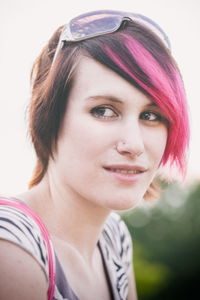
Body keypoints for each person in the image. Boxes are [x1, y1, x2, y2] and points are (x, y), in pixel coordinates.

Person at [0, 10, 189, 300]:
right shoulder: (11, 247)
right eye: (103, 111)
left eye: (151, 115)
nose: (134, 144)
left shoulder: (114, 237)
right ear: (50, 119)